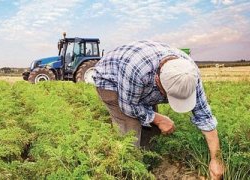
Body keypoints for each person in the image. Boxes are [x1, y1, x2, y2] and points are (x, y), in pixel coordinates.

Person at [93, 40, 224, 179]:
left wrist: (216, 159)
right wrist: (159, 118)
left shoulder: (190, 74)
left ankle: (148, 163)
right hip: (111, 81)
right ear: (157, 81)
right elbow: (128, 107)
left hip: (139, 82)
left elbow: (205, 117)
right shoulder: (137, 71)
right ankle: (128, 171)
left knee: (151, 129)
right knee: (130, 131)